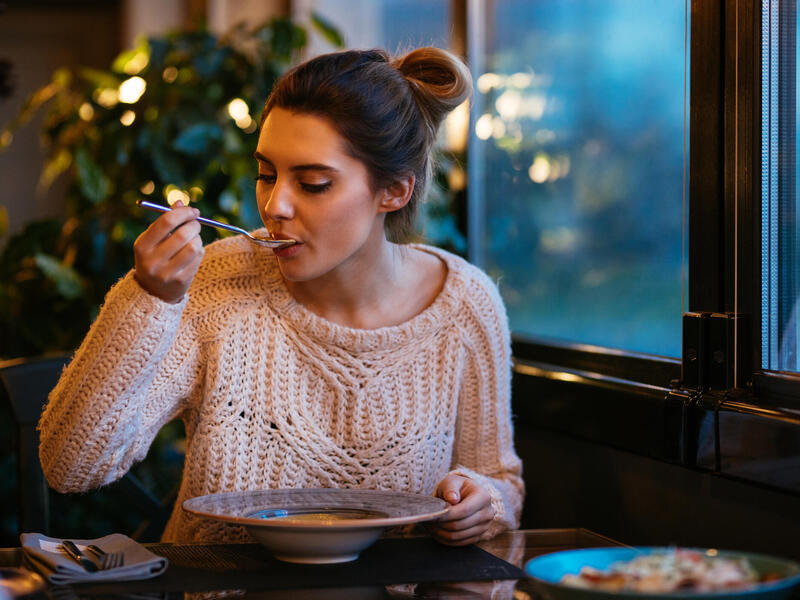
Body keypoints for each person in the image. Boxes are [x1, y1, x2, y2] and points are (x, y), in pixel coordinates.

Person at [38, 47, 524, 546]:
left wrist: (484, 502)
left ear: (394, 192)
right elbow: (70, 467)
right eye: (266, 174)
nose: (275, 206)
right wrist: (148, 297)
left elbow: (501, 481)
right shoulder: (219, 284)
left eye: (312, 184)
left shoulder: (465, 303)